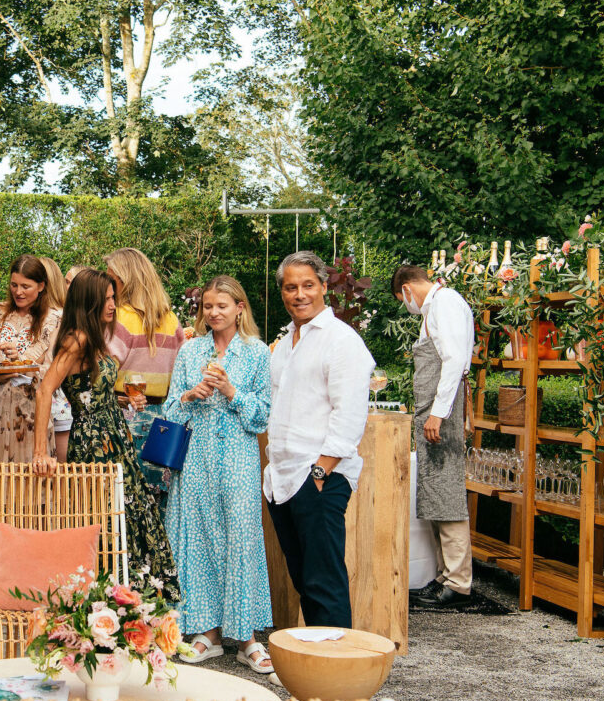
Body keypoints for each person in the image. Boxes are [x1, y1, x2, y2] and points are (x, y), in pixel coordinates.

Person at [31, 269, 181, 602]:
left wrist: (124, 399)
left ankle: (130, 600)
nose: (113, 304)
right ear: (90, 301)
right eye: (107, 298)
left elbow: (89, 391)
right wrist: (41, 452)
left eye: (114, 297)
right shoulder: (77, 339)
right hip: (93, 443)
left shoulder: (95, 336)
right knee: (103, 517)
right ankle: (105, 599)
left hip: (116, 436)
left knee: (128, 514)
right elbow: (44, 392)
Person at [163, 276, 273, 672]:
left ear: (240, 308)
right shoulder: (191, 350)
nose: (213, 313)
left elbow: (261, 416)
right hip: (196, 459)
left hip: (239, 462)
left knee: (241, 540)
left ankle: (247, 639)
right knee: (197, 539)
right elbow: (170, 413)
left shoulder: (258, 353)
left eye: (222, 306)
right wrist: (190, 395)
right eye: (208, 306)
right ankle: (206, 634)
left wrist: (230, 391)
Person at [264, 251, 374, 629]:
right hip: (283, 478)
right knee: (305, 581)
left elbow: (350, 413)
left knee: (323, 581)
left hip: (318, 476)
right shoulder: (287, 342)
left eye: (308, 285)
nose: (299, 294)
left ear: (324, 287)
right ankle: (317, 666)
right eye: (290, 287)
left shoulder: (342, 341)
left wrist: (320, 471)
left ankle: (336, 674)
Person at [394, 264, 475, 607]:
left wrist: (438, 414)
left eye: (402, 299)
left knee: (446, 490)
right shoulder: (433, 308)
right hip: (432, 411)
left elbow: (454, 360)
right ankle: (443, 575)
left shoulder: (446, 304)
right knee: (434, 488)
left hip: (442, 411)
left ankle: (458, 582)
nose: (405, 305)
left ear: (408, 288)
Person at [0, 254, 61, 462]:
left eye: (26, 286)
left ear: (41, 286)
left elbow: (54, 372)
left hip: (28, 417)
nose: (18, 292)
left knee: (26, 485)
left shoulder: (53, 321)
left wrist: (22, 362)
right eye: (14, 285)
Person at [104, 248, 185, 499]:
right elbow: (182, 370)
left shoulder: (119, 320)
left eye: (111, 279)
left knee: (122, 501)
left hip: (124, 416)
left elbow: (102, 372)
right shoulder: (171, 320)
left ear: (124, 281)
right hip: (164, 422)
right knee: (159, 500)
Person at [39, 257, 74, 459]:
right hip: (55, 404)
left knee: (59, 475)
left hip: (57, 404)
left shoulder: (60, 317)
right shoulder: (65, 315)